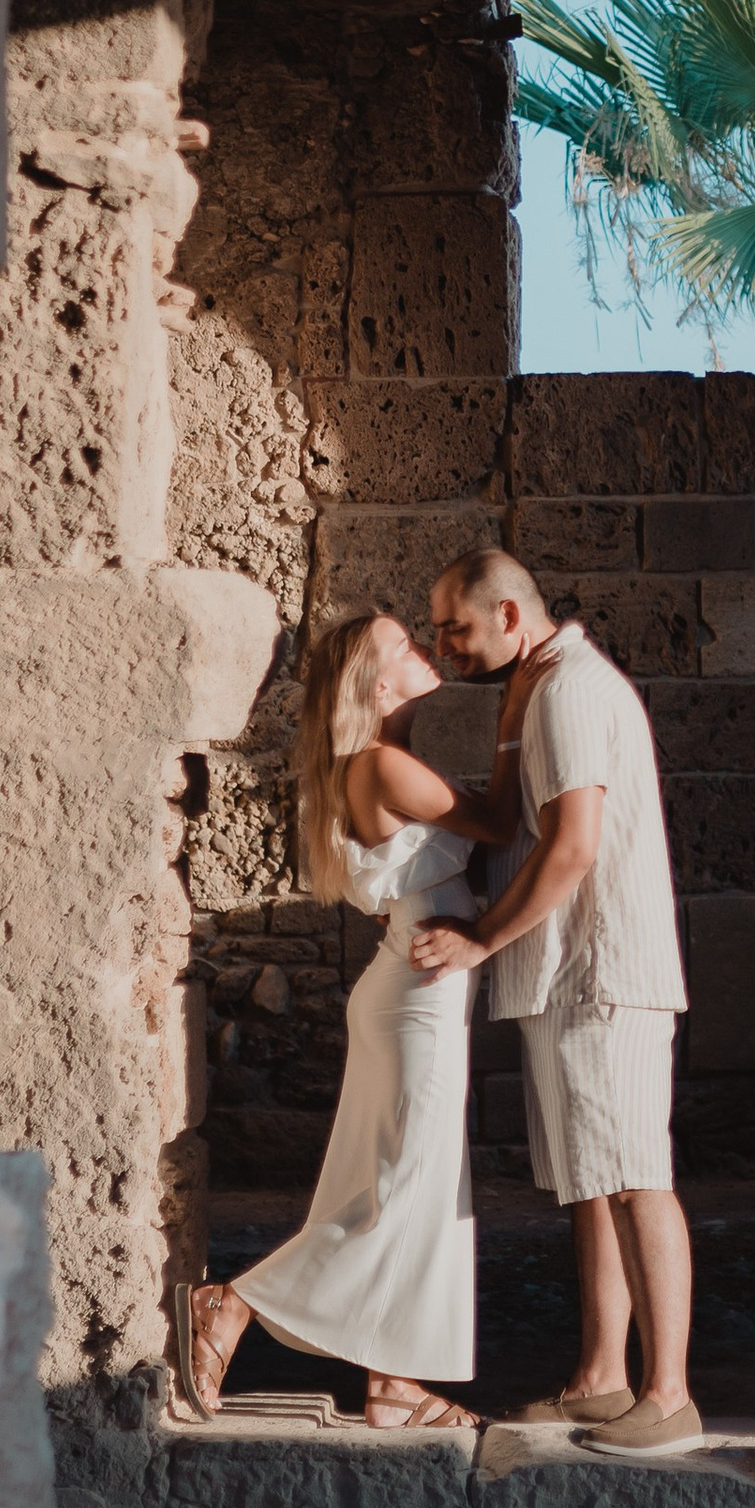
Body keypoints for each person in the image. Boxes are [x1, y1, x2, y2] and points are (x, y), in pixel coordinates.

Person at [170, 607, 527, 1432]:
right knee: (405, 1191)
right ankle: (235, 1303)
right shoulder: (384, 766)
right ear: (375, 682)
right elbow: (504, 823)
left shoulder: (375, 765)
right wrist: (517, 712)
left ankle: (394, 1382)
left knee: (409, 1186)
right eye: (404, 646)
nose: (425, 649)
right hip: (416, 997)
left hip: (410, 987)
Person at [415, 548, 702, 1453]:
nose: (443, 645)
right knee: (589, 1184)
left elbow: (572, 846)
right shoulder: (538, 688)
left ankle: (670, 1395)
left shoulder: (572, 690)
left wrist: (481, 937)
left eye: (455, 627)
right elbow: (512, 817)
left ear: (509, 615)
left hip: (600, 972)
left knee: (633, 1178)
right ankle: (601, 1379)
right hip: (568, 976)